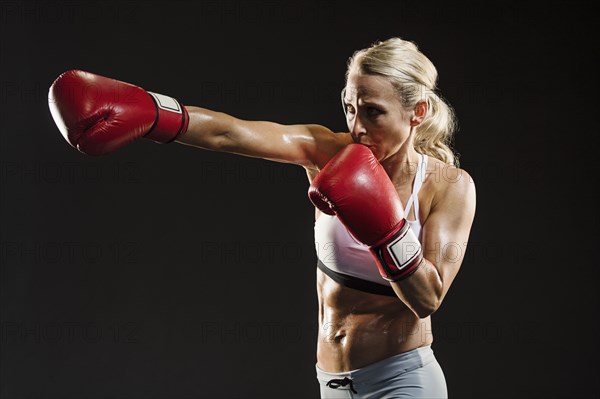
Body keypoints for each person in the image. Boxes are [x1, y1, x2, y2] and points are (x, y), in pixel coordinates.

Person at [48, 37, 476, 398]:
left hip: (403, 381)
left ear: (416, 112)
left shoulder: (447, 186)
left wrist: (385, 230)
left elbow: (427, 299)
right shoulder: (328, 152)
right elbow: (229, 132)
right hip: (331, 382)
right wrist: (151, 111)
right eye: (350, 107)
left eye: (373, 112)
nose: (357, 127)